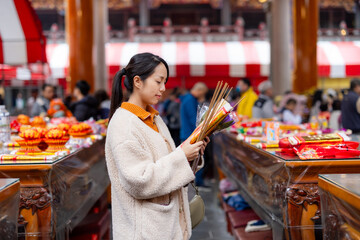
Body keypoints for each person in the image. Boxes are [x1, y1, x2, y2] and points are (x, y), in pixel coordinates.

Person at [105, 53, 210, 240]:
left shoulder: (154, 118)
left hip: (162, 225)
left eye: (164, 82)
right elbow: (139, 181)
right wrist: (181, 155)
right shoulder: (124, 124)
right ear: (138, 81)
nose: (163, 88)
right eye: (158, 81)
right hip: (145, 230)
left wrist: (192, 153)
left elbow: (165, 163)